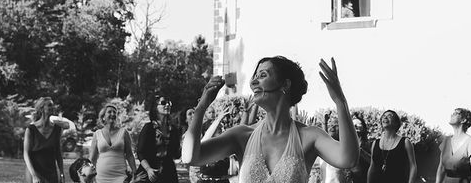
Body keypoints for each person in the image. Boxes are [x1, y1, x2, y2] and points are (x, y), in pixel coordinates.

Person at [183, 56, 359, 183]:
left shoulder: (309, 136)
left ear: (285, 85)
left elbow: (348, 159)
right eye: (255, 77)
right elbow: (190, 157)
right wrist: (202, 105)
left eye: (263, 75)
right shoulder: (242, 135)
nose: (253, 82)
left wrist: (340, 101)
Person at [135, 95, 182, 183]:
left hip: (168, 172)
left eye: (169, 103)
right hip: (149, 172)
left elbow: (176, 154)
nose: (167, 105)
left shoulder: (174, 130)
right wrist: (148, 169)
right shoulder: (148, 128)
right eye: (163, 103)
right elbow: (140, 152)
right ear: (155, 108)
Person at [90, 104, 136, 183]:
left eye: (114, 112)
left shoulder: (124, 133)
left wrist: (135, 172)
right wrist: (89, 176)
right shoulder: (97, 134)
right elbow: (92, 158)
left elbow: (129, 155)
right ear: (103, 116)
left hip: (120, 177)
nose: (113, 114)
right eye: (109, 112)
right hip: (100, 177)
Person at [367, 110, 417, 183]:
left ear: (396, 122)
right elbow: (372, 167)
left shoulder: (405, 142)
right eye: (383, 116)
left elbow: (413, 166)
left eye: (389, 116)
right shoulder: (375, 143)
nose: (385, 117)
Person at [23, 97, 66, 183]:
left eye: (53, 105)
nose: (53, 107)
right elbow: (26, 154)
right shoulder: (31, 130)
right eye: (49, 105)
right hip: (34, 172)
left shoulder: (57, 129)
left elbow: (58, 153)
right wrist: (34, 176)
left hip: (51, 173)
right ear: (41, 108)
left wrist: (61, 173)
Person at [436, 108, 471, 183]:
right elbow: (441, 168)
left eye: (456, 113)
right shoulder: (446, 141)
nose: (452, 114)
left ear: (464, 120)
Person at [348, 114, 371, 183]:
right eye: (353, 124)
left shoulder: (370, 144)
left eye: (358, 124)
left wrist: (360, 151)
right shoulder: (347, 144)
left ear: (363, 127)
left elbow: (375, 163)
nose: (355, 125)